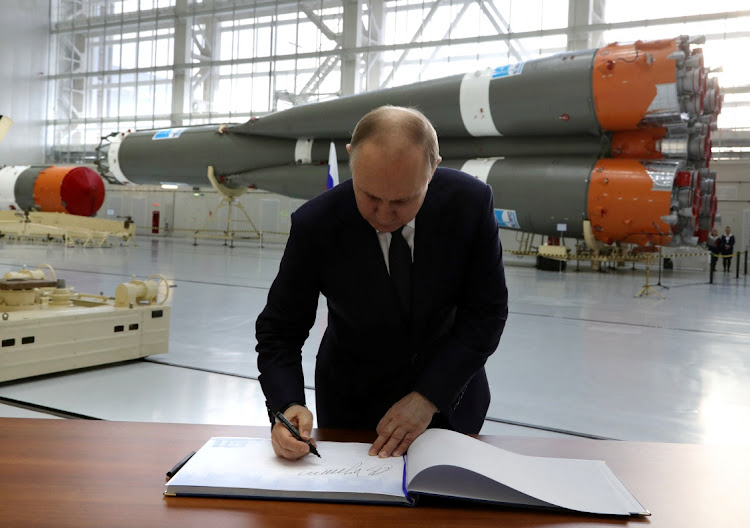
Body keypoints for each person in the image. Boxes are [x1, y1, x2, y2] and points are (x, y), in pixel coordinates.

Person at [256, 106, 508, 461]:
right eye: (370, 196)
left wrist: (428, 398)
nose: (385, 215)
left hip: (451, 398)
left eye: (403, 200)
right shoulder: (316, 224)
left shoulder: (470, 203)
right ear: (351, 159)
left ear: (433, 167)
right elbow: (280, 330)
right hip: (352, 408)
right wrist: (287, 404)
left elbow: (486, 313)